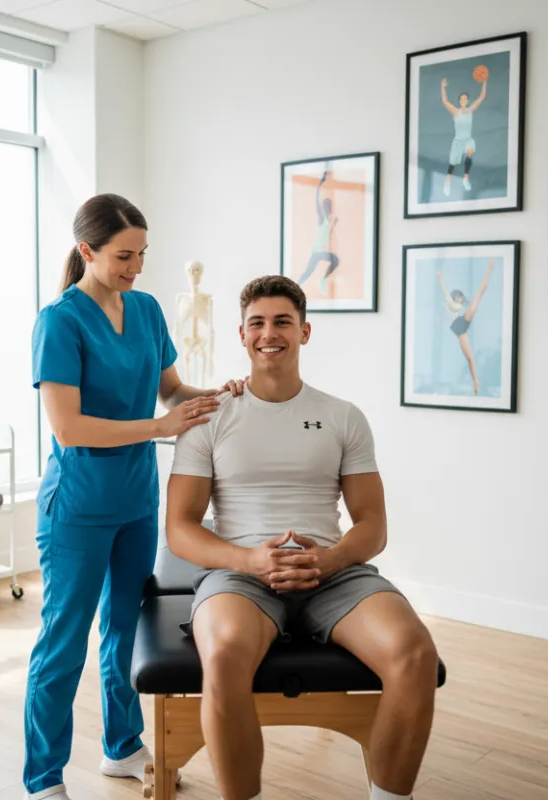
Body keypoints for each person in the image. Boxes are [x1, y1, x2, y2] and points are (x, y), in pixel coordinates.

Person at [164, 276, 439, 800]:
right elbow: (180, 529)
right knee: (222, 657)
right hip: (239, 575)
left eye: (283, 322)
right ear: (242, 335)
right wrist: (248, 560)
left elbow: (372, 525)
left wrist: (331, 560)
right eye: (258, 323)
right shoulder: (208, 420)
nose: (271, 333)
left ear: (305, 331)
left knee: (414, 653)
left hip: (334, 574)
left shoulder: (343, 417)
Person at [25, 193, 247, 800]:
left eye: (143, 254)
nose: (137, 267)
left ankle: (121, 746)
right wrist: (158, 428)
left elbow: (171, 392)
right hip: (78, 506)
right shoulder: (61, 320)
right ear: (87, 251)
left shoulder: (146, 311)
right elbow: (68, 427)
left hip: (135, 500)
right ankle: (43, 779)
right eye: (125, 255)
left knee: (125, 627)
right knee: (64, 641)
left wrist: (220, 397)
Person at [436, 259, 495, 395]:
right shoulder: (449, 302)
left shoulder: (456, 306)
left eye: (461, 298)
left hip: (461, 322)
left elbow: (445, 291)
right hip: (460, 330)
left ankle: (489, 269)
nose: (460, 300)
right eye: (459, 298)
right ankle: (476, 381)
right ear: (456, 297)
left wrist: (489, 268)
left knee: (480, 293)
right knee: (470, 359)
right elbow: (444, 290)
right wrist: (440, 278)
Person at [440, 74, 487, 196]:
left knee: (470, 152)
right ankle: (447, 183)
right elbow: (445, 101)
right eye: (462, 99)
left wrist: (484, 83)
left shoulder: (470, 110)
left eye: (466, 98)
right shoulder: (455, 111)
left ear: (467, 101)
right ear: (459, 101)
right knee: (453, 164)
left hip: (468, 140)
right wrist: (443, 87)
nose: (464, 100)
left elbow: (481, 97)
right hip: (458, 141)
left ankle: (465, 179)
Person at [296, 169, 341, 295]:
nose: (328, 208)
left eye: (330, 206)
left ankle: (323, 278)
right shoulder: (321, 218)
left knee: (335, 261)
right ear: (324, 207)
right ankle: (296, 285)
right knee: (308, 272)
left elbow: (327, 235)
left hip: (322, 251)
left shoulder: (328, 221)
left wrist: (334, 225)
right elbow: (316, 200)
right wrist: (320, 183)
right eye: (327, 206)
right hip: (317, 251)